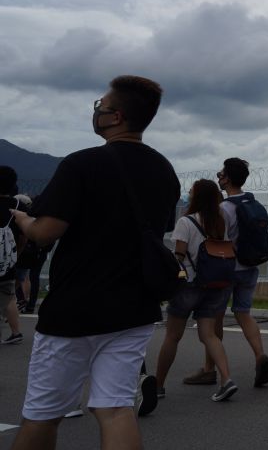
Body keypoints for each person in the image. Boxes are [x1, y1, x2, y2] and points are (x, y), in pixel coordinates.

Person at [8, 75, 179, 450]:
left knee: (42, 414)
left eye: (99, 106)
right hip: (134, 307)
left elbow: (46, 231)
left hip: (74, 307)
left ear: (115, 116)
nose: (96, 111)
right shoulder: (164, 170)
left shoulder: (82, 164)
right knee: (116, 409)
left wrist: (22, 220)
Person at [184, 157, 268, 388]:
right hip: (250, 267)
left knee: (215, 318)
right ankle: (260, 356)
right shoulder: (252, 203)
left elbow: (213, 238)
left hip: (226, 269)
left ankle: (209, 370)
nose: (219, 177)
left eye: (221, 174)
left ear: (227, 178)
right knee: (244, 313)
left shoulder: (224, 208)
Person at [154, 179, 237, 402]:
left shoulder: (186, 222)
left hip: (189, 285)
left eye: (191, 190)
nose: (189, 193)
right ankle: (226, 379)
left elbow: (179, 256)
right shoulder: (220, 221)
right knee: (209, 334)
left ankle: (158, 386)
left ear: (197, 196)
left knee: (172, 336)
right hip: (215, 285)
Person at [1, 166, 26, 346]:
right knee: (9, 296)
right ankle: (15, 332)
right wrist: (17, 251)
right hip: (9, 258)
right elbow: (25, 234)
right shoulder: (19, 205)